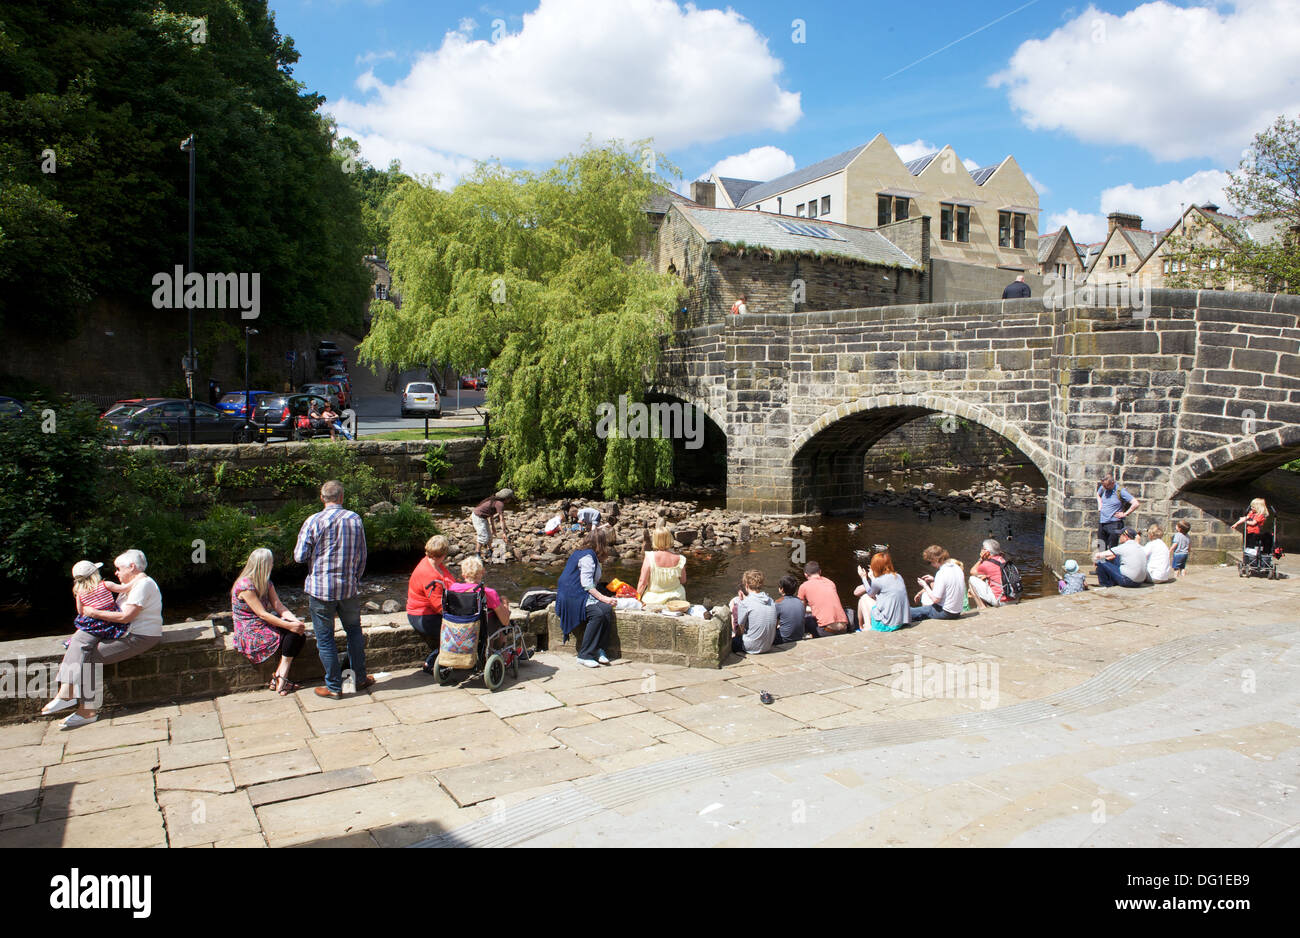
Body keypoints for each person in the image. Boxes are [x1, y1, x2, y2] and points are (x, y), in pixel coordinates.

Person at [42, 550, 164, 729]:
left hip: (139, 636)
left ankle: (84, 709)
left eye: (118, 568)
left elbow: (126, 617)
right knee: (81, 641)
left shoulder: (143, 585)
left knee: (86, 656)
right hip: (124, 632)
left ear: (132, 567)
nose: (116, 572)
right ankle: (71, 697)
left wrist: (94, 613)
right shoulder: (133, 583)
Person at [294, 479, 369, 699]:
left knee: (325, 638)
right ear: (342, 497)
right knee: (354, 632)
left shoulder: (313, 521)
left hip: (320, 589)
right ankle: (358, 679)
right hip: (348, 588)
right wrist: (354, 579)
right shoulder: (355, 519)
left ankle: (335, 687)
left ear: (322, 498)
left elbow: (299, 556)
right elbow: (362, 556)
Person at [230, 548, 307, 695]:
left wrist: (295, 621)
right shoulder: (245, 586)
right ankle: (281, 677)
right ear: (264, 565)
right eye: (271, 562)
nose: (273, 565)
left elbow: (278, 606)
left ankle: (279, 676)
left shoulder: (267, 582)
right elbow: (262, 614)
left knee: (298, 633)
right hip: (250, 630)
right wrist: (289, 625)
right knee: (293, 634)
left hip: (262, 623)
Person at [556, 527, 618, 668]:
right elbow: (587, 584)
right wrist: (604, 598)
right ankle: (584, 655)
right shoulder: (588, 557)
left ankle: (598, 649)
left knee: (607, 610)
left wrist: (605, 600)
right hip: (572, 597)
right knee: (597, 613)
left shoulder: (583, 553)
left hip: (578, 593)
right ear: (601, 544)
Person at [406, 535, 457, 674]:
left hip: (428, 612)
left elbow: (450, 584)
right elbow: (439, 607)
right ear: (444, 554)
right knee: (459, 631)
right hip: (423, 616)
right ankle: (431, 662)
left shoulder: (434, 564)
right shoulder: (430, 574)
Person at [450, 555, 512, 654]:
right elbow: (505, 621)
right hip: (482, 629)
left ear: (463, 574)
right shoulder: (488, 593)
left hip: (459, 627)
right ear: (482, 572)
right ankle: (504, 653)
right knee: (501, 611)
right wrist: (505, 606)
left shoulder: (453, 589)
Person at [68, 560, 128, 641]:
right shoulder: (105, 584)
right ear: (95, 574)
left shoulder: (79, 593)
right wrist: (138, 579)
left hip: (95, 624)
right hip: (110, 619)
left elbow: (80, 612)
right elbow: (124, 589)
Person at [854, 551, 910, 631]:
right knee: (867, 600)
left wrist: (863, 578)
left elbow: (870, 594)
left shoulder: (879, 581)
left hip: (887, 625)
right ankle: (861, 626)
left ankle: (866, 626)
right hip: (901, 622)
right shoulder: (898, 576)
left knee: (864, 598)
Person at [909, 545, 965, 621]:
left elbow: (936, 599)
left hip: (946, 612)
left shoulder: (941, 573)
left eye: (930, 562)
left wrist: (925, 585)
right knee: (922, 612)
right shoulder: (957, 568)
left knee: (910, 611)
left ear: (935, 560)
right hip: (957, 611)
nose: (931, 565)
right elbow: (949, 582)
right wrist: (934, 580)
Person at [731, 569, 777, 655]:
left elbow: (740, 629)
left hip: (751, 647)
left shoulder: (745, 603)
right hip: (768, 645)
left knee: (731, 641)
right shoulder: (771, 600)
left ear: (746, 585)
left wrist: (735, 638)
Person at [637, 527, 687, 605]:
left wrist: (636, 599)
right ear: (670, 539)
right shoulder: (680, 559)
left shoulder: (649, 557)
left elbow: (643, 582)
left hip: (654, 600)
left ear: (655, 540)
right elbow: (683, 580)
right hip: (677, 598)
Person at [797, 561, 849, 635]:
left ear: (805, 575)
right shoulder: (830, 583)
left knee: (805, 619)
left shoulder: (804, 586)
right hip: (844, 628)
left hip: (827, 630)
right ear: (820, 572)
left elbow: (800, 610)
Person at [1096, 475, 1140, 550]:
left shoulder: (1121, 491)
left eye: (1107, 486)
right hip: (1103, 522)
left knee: (1112, 549)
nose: (1105, 488)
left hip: (1114, 523)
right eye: (1103, 486)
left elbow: (1136, 503)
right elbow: (1098, 495)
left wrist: (1125, 514)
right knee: (1101, 547)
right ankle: (1102, 561)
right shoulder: (1103, 488)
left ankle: (1111, 561)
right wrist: (1100, 505)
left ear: (1112, 483)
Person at [968, 539, 1010, 609]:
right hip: (1013, 598)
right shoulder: (1002, 560)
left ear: (987, 552)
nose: (981, 550)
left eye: (983, 549)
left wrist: (981, 559)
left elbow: (972, 571)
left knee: (972, 580)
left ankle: (982, 608)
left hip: (1002, 601)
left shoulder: (988, 564)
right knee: (982, 579)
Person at [773, 575, 806, 645]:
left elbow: (773, 625)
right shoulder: (800, 601)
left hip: (784, 639)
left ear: (781, 589)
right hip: (799, 636)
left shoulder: (778, 603)